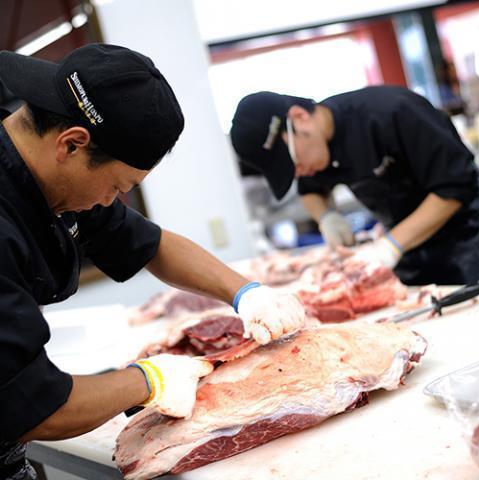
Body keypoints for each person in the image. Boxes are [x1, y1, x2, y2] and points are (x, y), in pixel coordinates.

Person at [0, 44, 305, 479]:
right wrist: (149, 381)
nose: (113, 200)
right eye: (118, 185)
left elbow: (149, 243)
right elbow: (33, 405)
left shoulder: (49, 170)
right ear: (72, 144)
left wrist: (246, 293)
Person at [230, 86, 479, 286]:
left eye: (293, 162)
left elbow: (453, 187)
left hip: (469, 240)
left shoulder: (393, 112)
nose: (298, 173)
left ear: (300, 118)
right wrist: (327, 217)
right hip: (413, 253)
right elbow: (311, 191)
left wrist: (389, 246)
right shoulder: (315, 150)